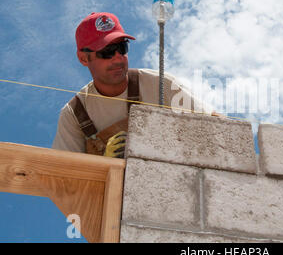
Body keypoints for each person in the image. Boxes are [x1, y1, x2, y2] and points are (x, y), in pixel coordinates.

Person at [52, 12, 214, 158]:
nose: (117, 58)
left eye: (122, 48)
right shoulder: (75, 114)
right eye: (106, 52)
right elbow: (65, 180)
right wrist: (104, 165)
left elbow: (217, 125)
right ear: (83, 58)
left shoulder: (160, 84)